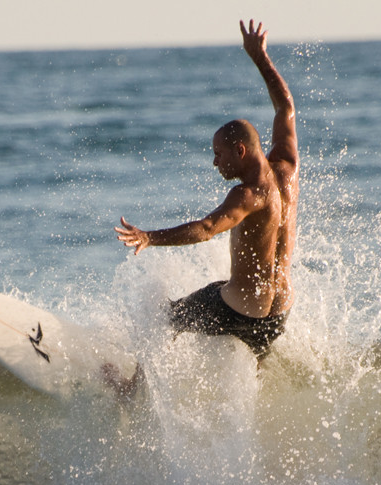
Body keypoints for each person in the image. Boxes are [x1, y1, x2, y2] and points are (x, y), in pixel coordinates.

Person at [115, 18, 299, 363]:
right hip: (278, 315)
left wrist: (149, 237)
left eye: (219, 154)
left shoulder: (247, 195)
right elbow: (285, 107)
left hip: (243, 312)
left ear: (240, 152)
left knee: (166, 317)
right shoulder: (287, 170)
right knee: (239, 324)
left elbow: (206, 230)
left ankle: (128, 392)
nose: (215, 163)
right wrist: (260, 57)